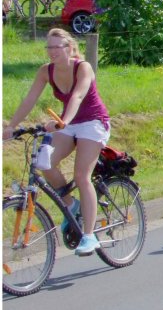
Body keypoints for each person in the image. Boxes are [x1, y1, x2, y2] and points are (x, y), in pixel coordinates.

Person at [3, 28, 110, 256]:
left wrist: (63, 121)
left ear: (69, 48)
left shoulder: (83, 67)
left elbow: (78, 96)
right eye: (48, 47)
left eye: (57, 47)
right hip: (68, 123)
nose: (52, 52)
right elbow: (29, 99)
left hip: (93, 122)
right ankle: (71, 205)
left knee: (82, 175)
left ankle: (89, 236)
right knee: (45, 163)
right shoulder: (46, 71)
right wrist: (11, 127)